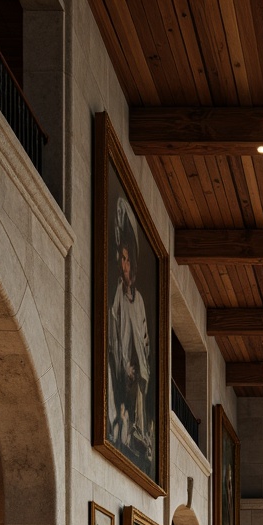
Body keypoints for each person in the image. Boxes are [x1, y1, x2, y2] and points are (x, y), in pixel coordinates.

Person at [107, 196, 152, 466]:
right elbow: (114, 330)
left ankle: (137, 431)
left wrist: (137, 365)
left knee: (136, 407)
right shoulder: (118, 296)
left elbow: (144, 339)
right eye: (121, 259)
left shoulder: (141, 302)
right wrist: (124, 364)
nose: (124, 265)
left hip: (137, 369)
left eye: (127, 260)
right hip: (123, 368)